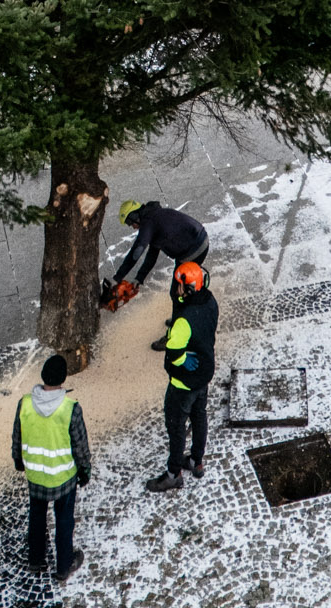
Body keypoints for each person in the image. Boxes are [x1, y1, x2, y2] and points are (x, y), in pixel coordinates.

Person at [12, 353, 91, 581]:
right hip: (63, 476)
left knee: (36, 517)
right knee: (64, 521)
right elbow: (80, 446)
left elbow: (17, 436)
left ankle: (35, 560)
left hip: (35, 474)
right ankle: (64, 565)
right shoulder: (70, 408)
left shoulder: (25, 403)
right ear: (63, 379)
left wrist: (18, 460)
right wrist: (85, 470)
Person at [146, 261, 219, 492]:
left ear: (185, 288)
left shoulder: (183, 321)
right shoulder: (210, 301)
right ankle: (196, 461)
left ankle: (173, 473)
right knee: (199, 417)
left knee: (176, 427)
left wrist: (181, 360)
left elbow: (174, 352)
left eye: (178, 284)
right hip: (204, 374)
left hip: (183, 384)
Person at [114, 200, 209, 349]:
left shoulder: (148, 224)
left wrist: (118, 277)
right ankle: (183, 316)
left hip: (193, 251)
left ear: (134, 216)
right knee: (181, 292)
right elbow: (152, 256)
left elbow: (136, 252)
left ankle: (173, 336)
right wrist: (139, 278)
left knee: (178, 293)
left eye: (130, 223)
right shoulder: (154, 217)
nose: (132, 227)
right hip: (198, 242)